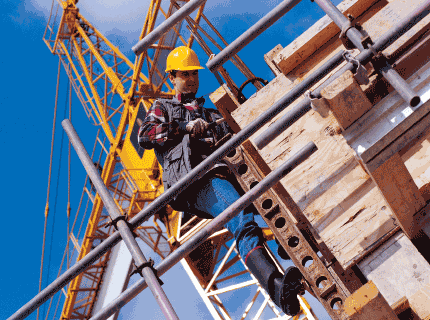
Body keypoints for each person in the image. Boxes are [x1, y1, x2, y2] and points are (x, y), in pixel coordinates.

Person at [138, 46, 306, 316]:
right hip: (195, 179)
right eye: (185, 74)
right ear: (172, 76)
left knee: (277, 193)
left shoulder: (208, 111)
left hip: (226, 171)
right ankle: (277, 290)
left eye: (194, 73)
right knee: (240, 218)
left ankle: (291, 246)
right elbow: (145, 136)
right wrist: (183, 128)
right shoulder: (163, 107)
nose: (191, 79)